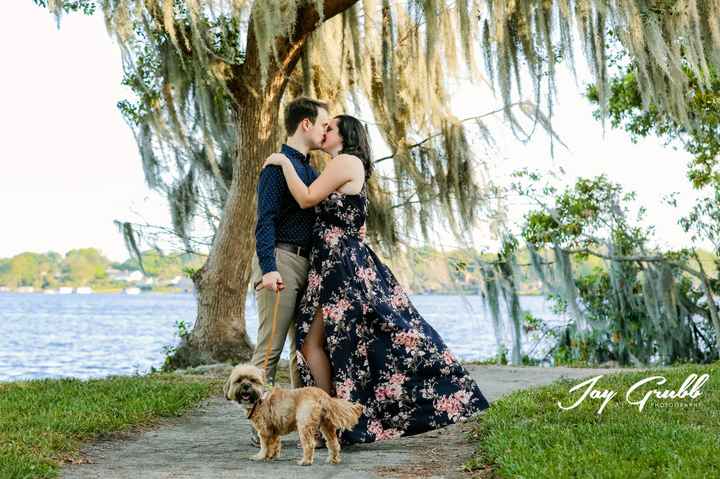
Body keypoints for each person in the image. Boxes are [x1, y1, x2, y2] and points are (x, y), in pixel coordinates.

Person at [262, 114, 490, 446]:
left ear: (345, 135)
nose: (324, 132)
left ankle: (331, 420)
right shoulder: (344, 165)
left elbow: (307, 199)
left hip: (340, 265)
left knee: (321, 341)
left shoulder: (345, 161)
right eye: (323, 128)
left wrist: (283, 162)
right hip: (331, 263)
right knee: (327, 343)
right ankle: (331, 420)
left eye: (330, 128)